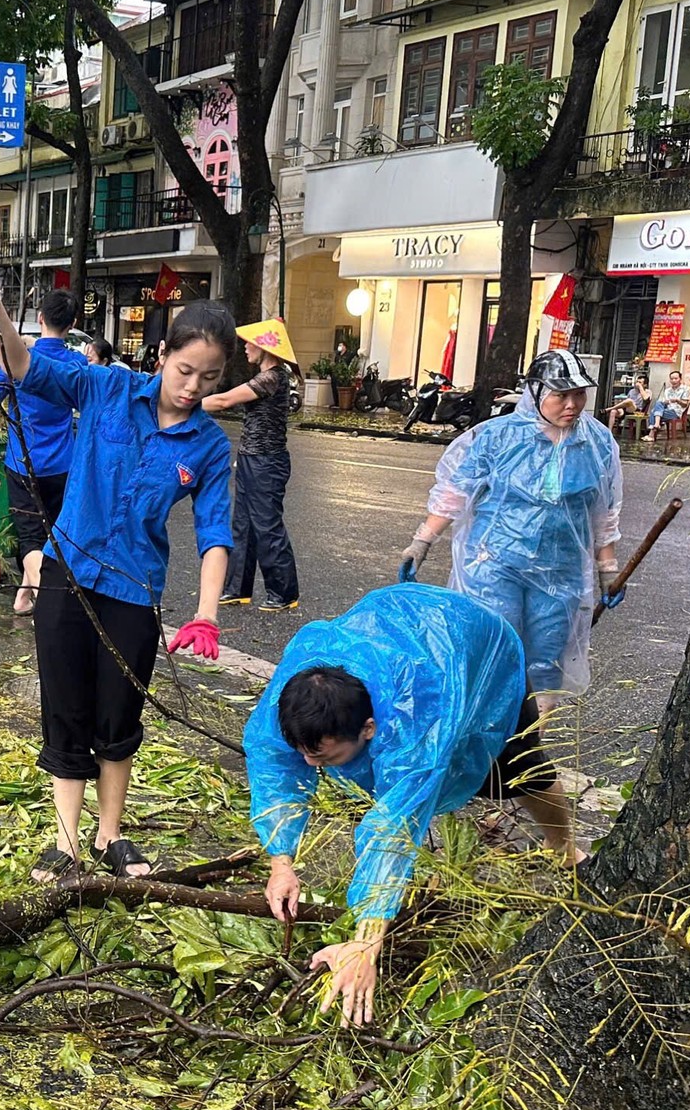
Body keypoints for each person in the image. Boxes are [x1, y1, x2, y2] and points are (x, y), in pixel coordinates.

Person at [0, 276, 235, 882]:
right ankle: (65, 841)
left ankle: (109, 835)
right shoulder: (105, 387)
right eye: (185, 369)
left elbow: (215, 533)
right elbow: (23, 368)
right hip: (68, 577)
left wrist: (206, 613)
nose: (193, 386)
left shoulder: (209, 446)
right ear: (164, 356)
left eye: (210, 377)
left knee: (118, 714)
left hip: (133, 591)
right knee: (65, 704)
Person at [247, 584, 578, 1026]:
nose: (310, 765)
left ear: (368, 728)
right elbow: (275, 770)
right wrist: (281, 862)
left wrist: (366, 944)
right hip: (400, 630)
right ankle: (424, 876)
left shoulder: (414, 726)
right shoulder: (295, 700)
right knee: (370, 782)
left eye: (321, 757)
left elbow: (394, 826)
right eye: (305, 752)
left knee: (520, 772)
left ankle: (566, 851)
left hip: (480, 654)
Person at [401, 349, 623, 706]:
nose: (572, 404)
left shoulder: (596, 444)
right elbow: (455, 494)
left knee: (546, 663)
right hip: (494, 566)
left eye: (578, 394)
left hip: (560, 572)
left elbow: (603, 511)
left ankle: (528, 749)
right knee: (495, 653)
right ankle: (488, 745)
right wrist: (422, 542)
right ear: (535, 392)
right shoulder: (497, 438)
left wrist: (607, 569)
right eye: (560, 395)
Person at [0, 289, 84, 613]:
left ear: (40, 317)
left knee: (30, 539)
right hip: (63, 466)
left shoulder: (20, 360)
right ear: (73, 323)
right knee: (53, 536)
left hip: (23, 464)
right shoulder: (78, 363)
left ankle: (50, 605)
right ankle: (22, 598)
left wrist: (4, 372)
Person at [203, 324, 300, 612]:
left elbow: (223, 401)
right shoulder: (264, 376)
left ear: (265, 347)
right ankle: (236, 588)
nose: (245, 347)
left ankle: (284, 593)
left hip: (267, 462)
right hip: (251, 459)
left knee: (267, 526)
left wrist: (181, 402)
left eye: (250, 343)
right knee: (242, 525)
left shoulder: (272, 378)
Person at [648, 368, 690, 438]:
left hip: (676, 412)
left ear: (680, 379)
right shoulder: (667, 390)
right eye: (672, 379)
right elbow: (663, 403)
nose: (674, 381)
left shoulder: (686, 389)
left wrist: (677, 400)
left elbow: (685, 404)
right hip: (666, 409)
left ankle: (652, 433)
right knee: (659, 403)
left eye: (676, 378)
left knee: (653, 412)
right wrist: (666, 402)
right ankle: (656, 424)